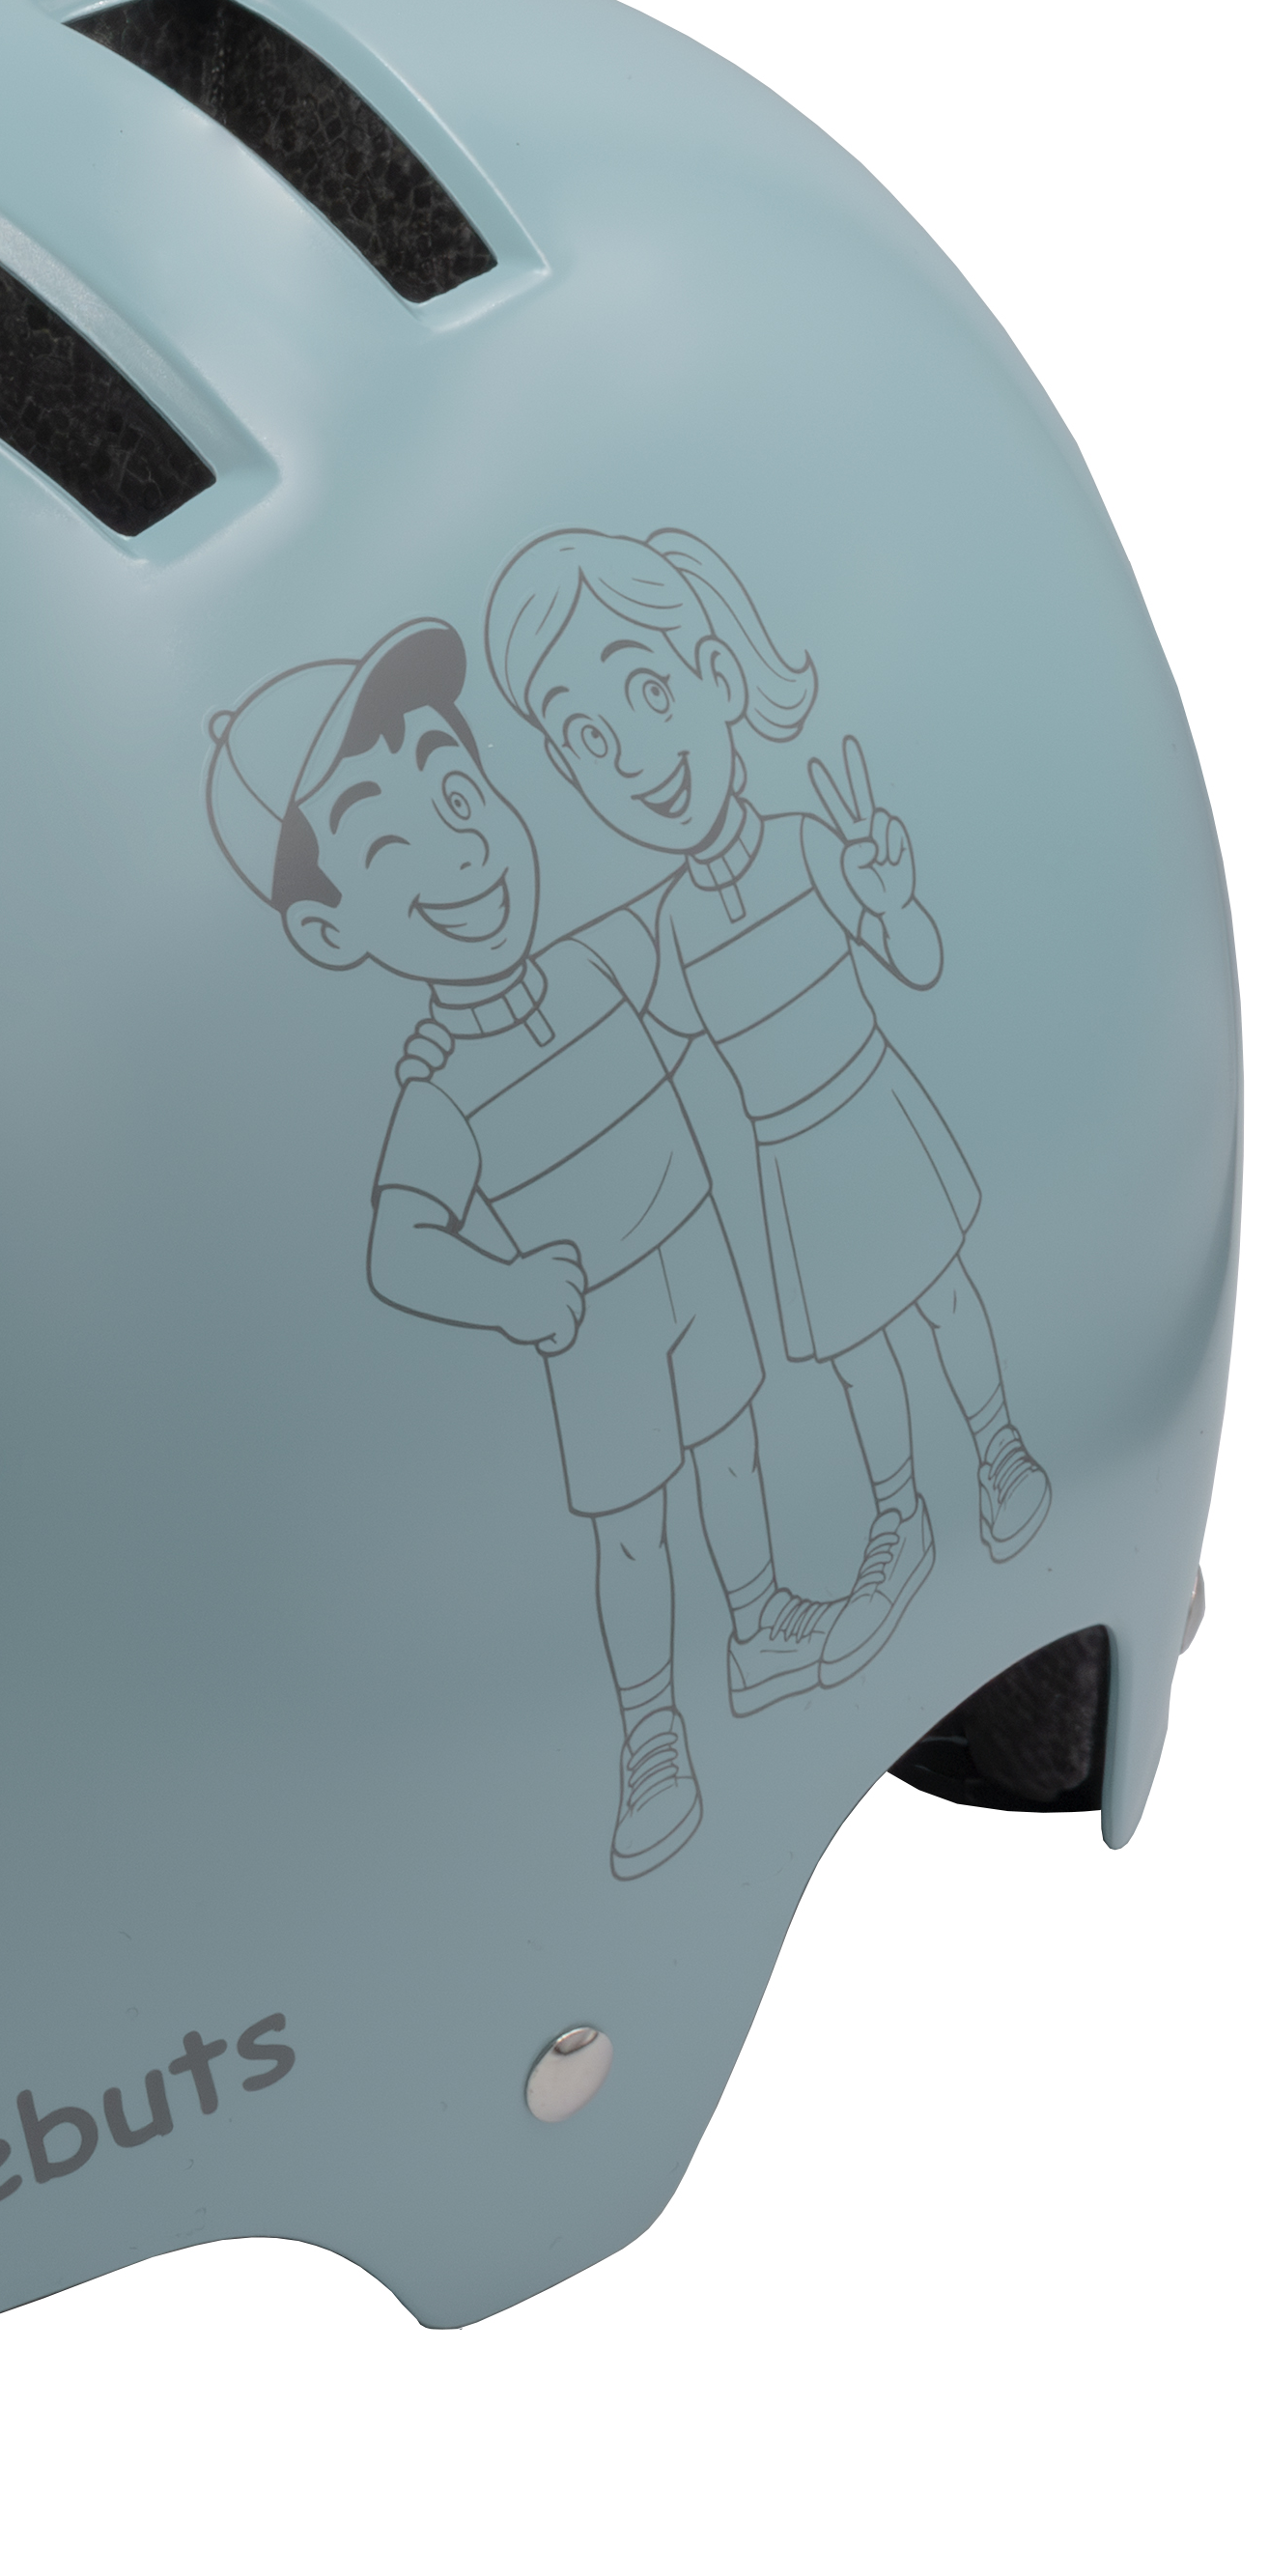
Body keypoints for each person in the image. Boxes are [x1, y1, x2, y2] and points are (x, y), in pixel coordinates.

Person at [207, 618, 840, 1878]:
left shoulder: (597, 964)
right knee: (632, 1531)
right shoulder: (441, 1089)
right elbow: (400, 1248)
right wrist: (506, 1293)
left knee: (732, 1448)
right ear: (331, 933)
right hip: (594, 1318)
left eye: (459, 793)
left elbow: (700, 968)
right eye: (389, 844)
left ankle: (762, 1620)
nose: (461, 846)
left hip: (693, 1261)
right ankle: (651, 1734)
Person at [481, 530, 1050, 1689]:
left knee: (941, 1298)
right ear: (570, 777)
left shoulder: (804, 846)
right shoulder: (672, 929)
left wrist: (891, 901)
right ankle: (896, 1515)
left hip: (869, 1110)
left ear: (716, 677)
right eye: (590, 740)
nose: (636, 758)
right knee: (857, 1359)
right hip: (795, 1162)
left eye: (648, 693)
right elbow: (644, 1050)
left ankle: (998, 1449)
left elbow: (916, 961)